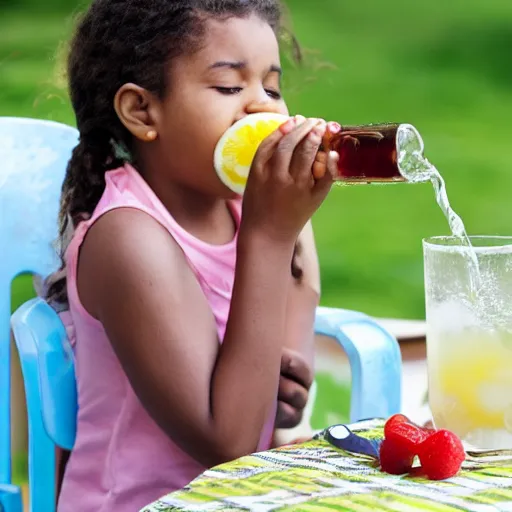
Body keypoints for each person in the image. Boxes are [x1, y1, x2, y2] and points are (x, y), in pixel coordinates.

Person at [46, 0, 339, 510]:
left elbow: (277, 398)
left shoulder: (263, 213)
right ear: (142, 111)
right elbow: (229, 446)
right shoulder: (129, 239)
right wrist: (270, 237)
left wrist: (284, 386)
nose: (264, 108)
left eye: (272, 87)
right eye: (230, 87)